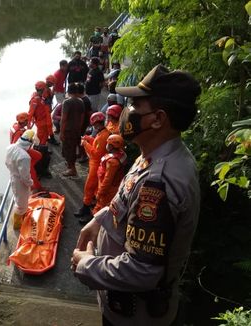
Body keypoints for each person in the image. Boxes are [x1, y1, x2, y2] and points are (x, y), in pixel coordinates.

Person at [71, 64, 201, 325]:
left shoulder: (159, 182)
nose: (127, 112)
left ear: (157, 119)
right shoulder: (156, 153)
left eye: (135, 106)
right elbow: (127, 199)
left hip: (132, 315)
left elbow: (142, 271)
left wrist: (86, 264)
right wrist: (101, 218)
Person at [75, 112, 110, 224]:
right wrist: (89, 139)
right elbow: (96, 145)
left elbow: (95, 153)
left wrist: (85, 143)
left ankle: (88, 210)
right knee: (91, 188)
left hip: (96, 164)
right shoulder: (103, 133)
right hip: (96, 164)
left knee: (90, 187)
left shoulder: (103, 135)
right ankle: (86, 207)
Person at [6, 130, 35, 230]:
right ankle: (17, 224)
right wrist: (31, 183)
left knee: (18, 198)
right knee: (22, 203)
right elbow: (25, 176)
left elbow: (6, 162)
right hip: (20, 181)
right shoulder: (25, 157)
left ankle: (20, 217)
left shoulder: (11, 147)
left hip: (13, 176)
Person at [92, 134, 126, 215]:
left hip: (108, 190)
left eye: (107, 143)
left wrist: (100, 193)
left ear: (111, 146)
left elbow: (107, 180)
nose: (106, 145)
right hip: (114, 185)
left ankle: (96, 223)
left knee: (102, 208)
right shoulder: (122, 154)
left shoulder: (112, 162)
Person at [10, 112, 43, 192]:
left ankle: (28, 169)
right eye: (27, 120)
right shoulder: (19, 132)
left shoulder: (16, 126)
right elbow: (17, 146)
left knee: (38, 155)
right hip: (20, 153)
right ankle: (37, 188)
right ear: (23, 121)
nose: (29, 121)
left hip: (21, 150)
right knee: (32, 172)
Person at [60, 82, 85, 177]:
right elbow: (82, 117)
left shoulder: (67, 102)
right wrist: (79, 128)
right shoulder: (80, 101)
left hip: (68, 130)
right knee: (73, 148)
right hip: (76, 129)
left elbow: (64, 118)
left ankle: (72, 169)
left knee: (68, 150)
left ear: (68, 91)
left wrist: (62, 132)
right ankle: (71, 165)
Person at [28, 81, 53, 146]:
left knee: (45, 136)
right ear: (43, 89)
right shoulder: (35, 100)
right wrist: (28, 126)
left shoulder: (41, 97)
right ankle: (40, 151)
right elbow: (30, 113)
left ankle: (43, 150)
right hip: (41, 122)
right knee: (40, 138)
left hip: (45, 121)